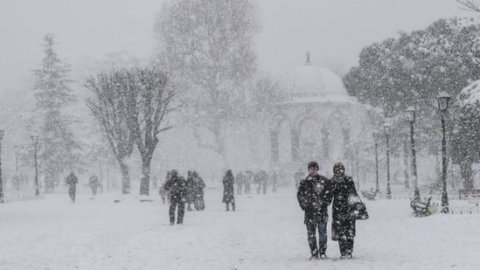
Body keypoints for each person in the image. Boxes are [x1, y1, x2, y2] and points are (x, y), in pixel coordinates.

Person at [297, 161, 333, 259]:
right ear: (308, 169)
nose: (313, 170)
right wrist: (305, 205)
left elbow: (329, 194)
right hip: (309, 212)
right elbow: (300, 196)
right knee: (311, 234)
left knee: (322, 233)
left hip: (322, 212)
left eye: (315, 168)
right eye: (311, 168)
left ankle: (322, 252)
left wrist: (324, 203)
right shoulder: (304, 182)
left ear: (317, 169)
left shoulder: (324, 181)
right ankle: (313, 252)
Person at [331, 162, 359, 259]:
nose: (338, 172)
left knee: (350, 232)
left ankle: (349, 251)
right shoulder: (332, 181)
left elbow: (353, 193)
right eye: (336, 170)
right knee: (340, 232)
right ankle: (343, 252)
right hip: (338, 210)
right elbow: (328, 196)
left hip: (349, 209)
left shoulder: (348, 180)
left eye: (340, 170)